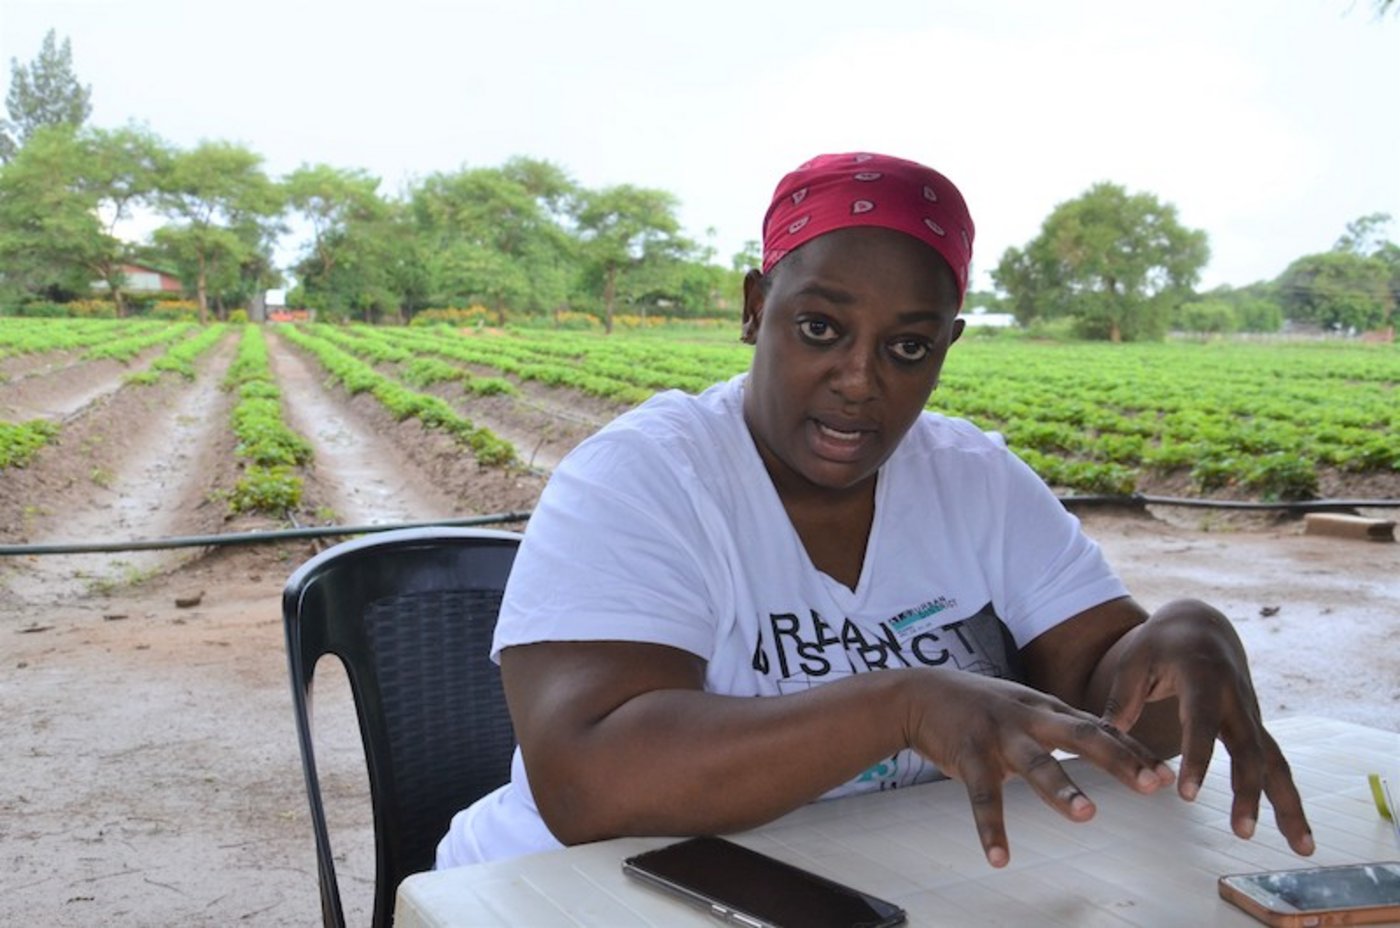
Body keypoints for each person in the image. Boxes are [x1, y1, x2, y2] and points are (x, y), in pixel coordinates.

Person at [435, 151, 1314, 869]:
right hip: (561, 895)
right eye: (821, 327)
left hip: (854, 884)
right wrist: (899, 705)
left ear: (946, 347)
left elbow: (1109, 711)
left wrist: (1180, 647)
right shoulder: (645, 478)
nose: (861, 381)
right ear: (755, 309)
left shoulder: (974, 478)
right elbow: (589, 781)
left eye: (907, 346)